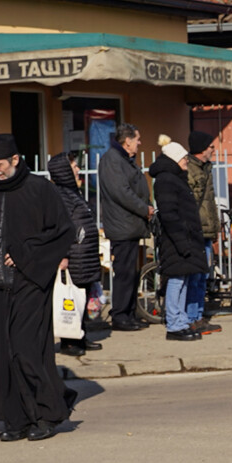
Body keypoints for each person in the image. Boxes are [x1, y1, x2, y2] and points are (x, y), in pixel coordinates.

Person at [0, 134, 76, 442]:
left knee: (26, 351)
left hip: (29, 285)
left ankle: (46, 415)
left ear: (15, 159)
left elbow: (62, 232)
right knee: (2, 356)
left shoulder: (41, 190)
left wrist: (25, 253)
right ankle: (16, 419)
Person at [150, 140, 208, 343]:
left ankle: (180, 321)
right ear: (175, 158)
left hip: (183, 237)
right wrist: (182, 241)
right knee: (176, 280)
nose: (186, 161)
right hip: (176, 239)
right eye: (183, 158)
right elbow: (170, 215)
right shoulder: (166, 180)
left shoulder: (174, 178)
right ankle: (175, 324)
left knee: (183, 279)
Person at [47, 151, 103, 358]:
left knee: (81, 297)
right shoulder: (61, 195)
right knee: (71, 299)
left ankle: (80, 335)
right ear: (64, 171)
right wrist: (63, 254)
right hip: (74, 257)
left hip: (83, 256)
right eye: (74, 166)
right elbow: (60, 227)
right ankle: (69, 342)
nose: (78, 169)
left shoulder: (72, 193)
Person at [98, 124, 151, 330]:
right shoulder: (112, 160)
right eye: (137, 139)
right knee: (124, 273)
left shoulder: (125, 159)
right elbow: (122, 192)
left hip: (131, 225)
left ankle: (129, 313)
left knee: (132, 273)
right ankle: (120, 316)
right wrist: (144, 209)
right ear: (127, 141)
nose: (139, 143)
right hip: (123, 226)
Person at [183, 132, 221, 336]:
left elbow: (210, 202)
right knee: (195, 276)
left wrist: (215, 228)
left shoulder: (205, 168)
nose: (213, 150)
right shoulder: (190, 169)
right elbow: (191, 202)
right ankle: (191, 318)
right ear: (202, 148)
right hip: (195, 230)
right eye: (210, 146)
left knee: (202, 276)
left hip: (205, 230)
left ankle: (197, 315)